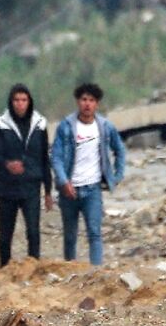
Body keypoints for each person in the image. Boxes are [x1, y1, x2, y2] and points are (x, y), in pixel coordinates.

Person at [51, 83, 127, 266]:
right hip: (69, 190)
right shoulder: (66, 127)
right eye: (84, 99)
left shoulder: (105, 127)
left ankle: (96, 273)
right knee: (70, 236)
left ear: (97, 104)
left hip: (92, 189)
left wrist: (116, 177)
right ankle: (70, 271)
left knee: (95, 233)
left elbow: (120, 150)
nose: (87, 104)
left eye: (91, 100)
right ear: (78, 102)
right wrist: (63, 181)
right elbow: (56, 156)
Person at [0, 84, 54, 267]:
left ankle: (33, 267)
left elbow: (44, 158)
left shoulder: (39, 124)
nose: (20, 104)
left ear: (29, 102)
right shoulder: (2, 124)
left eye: (24, 100)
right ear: (11, 102)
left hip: (31, 186)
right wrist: (7, 165)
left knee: (33, 231)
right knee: (5, 234)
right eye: (16, 100)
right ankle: (4, 268)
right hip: (7, 187)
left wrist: (48, 191)